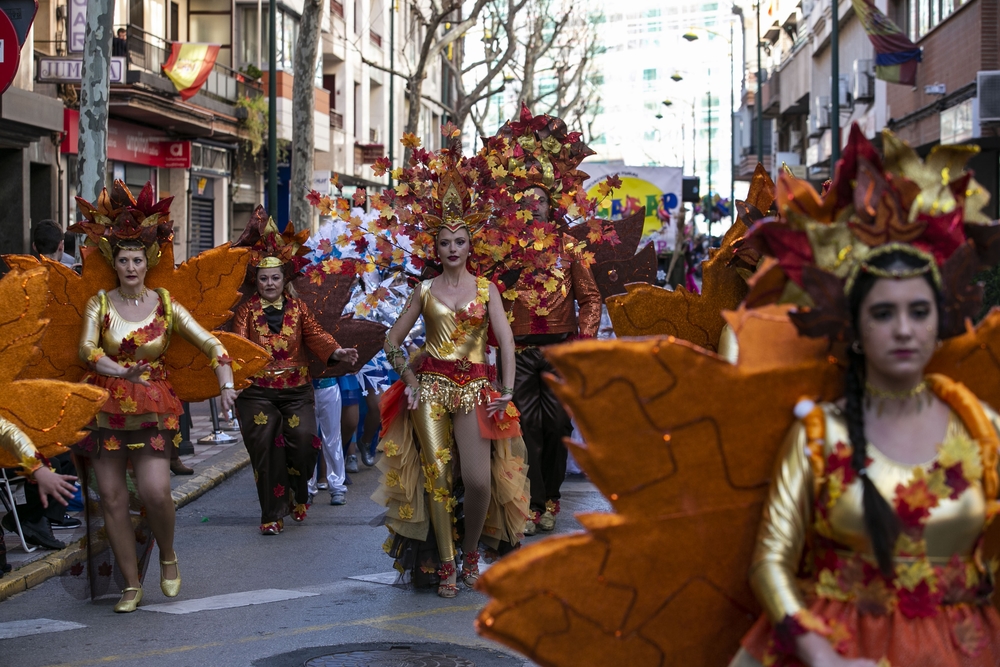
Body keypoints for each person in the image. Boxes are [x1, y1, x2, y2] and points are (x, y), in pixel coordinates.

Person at [72, 181, 237, 613]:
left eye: (137, 260)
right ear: (113, 262)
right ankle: (130, 583)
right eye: (123, 260)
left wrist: (226, 386)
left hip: (152, 405)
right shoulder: (99, 303)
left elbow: (213, 345)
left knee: (156, 491)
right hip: (105, 406)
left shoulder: (166, 304)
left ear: (149, 262)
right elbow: (86, 352)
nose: (130, 267)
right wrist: (120, 369)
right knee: (111, 497)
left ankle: (166, 554)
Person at [372, 157, 530, 598]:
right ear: (436, 249)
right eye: (445, 243)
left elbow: (506, 342)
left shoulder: (487, 289)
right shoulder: (424, 290)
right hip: (432, 392)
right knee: (437, 474)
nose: (453, 249)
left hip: (478, 392)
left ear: (469, 246)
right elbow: (391, 340)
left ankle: (472, 552)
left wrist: (508, 390)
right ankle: (445, 563)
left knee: (479, 481)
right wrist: (413, 379)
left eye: (460, 241)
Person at [488, 107, 602, 535]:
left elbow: (590, 298)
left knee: (556, 424)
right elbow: (487, 297)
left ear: (553, 206)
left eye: (542, 199)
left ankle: (550, 498)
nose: (534, 205)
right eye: (527, 199)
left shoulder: (570, 248)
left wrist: (583, 339)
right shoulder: (502, 250)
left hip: (559, 350)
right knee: (523, 426)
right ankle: (531, 503)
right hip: (517, 352)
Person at [230, 207, 358, 535]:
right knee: (265, 448)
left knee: (303, 442)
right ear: (255, 280)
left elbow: (315, 335)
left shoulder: (299, 308)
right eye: (263, 278)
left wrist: (337, 352)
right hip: (256, 392)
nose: (270, 283)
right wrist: (233, 383)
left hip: (297, 389)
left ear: (285, 278)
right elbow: (239, 348)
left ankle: (299, 494)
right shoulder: (246, 311)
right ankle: (271, 514)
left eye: (275, 277)